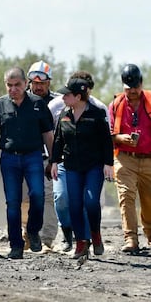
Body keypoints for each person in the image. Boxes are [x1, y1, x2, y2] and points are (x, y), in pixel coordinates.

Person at [0, 67, 54, 260]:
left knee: (38, 195)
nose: (13, 89)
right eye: (9, 85)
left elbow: (48, 134)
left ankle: (33, 230)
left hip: (33, 156)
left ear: (25, 84)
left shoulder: (38, 104)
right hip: (9, 158)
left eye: (17, 85)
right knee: (13, 202)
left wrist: (53, 160)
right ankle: (16, 244)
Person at [50, 78, 114, 260]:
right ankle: (81, 243)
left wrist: (108, 164)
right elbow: (58, 140)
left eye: (67, 94)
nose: (63, 97)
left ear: (78, 96)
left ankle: (95, 234)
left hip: (93, 166)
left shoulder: (97, 114)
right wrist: (54, 162)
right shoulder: (64, 114)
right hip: (71, 167)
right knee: (75, 205)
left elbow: (106, 142)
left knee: (91, 202)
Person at [108, 63, 151, 253]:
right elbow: (107, 135)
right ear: (123, 84)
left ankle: (150, 235)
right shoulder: (116, 104)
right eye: (128, 87)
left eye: (135, 86)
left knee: (149, 201)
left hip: (149, 159)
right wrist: (120, 138)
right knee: (126, 196)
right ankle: (131, 238)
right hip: (125, 158)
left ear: (141, 84)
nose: (132, 91)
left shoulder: (150, 100)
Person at [21, 60, 58, 253]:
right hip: (25, 156)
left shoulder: (59, 102)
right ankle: (26, 237)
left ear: (49, 82)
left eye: (42, 83)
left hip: (48, 158)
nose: (38, 86)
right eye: (35, 83)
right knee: (25, 198)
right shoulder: (20, 100)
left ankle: (46, 238)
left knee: (48, 197)